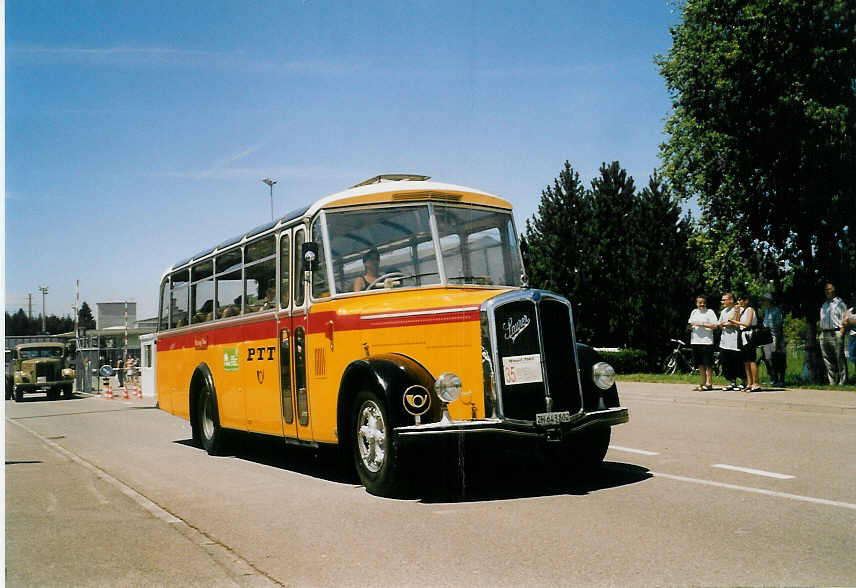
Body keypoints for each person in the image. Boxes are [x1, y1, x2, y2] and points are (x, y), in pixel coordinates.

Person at [819, 282, 847, 385]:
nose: (827, 291)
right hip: (824, 333)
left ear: (834, 290)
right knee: (827, 358)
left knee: (839, 357)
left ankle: (843, 380)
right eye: (826, 290)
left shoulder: (840, 303)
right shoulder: (824, 304)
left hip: (836, 332)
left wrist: (842, 332)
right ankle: (832, 381)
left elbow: (845, 318)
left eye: (829, 289)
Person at [688, 295, 718, 390]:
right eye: (700, 302)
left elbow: (715, 326)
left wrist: (701, 324)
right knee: (700, 363)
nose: (702, 304)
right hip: (695, 340)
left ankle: (709, 383)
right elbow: (690, 324)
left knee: (707, 363)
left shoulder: (710, 312)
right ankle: (703, 382)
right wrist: (689, 327)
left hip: (707, 341)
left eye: (704, 302)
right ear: (696, 303)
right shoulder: (694, 312)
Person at [733, 294, 760, 391]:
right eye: (738, 299)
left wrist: (735, 322)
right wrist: (736, 313)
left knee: (751, 359)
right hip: (742, 335)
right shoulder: (741, 311)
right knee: (745, 361)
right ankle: (749, 383)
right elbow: (737, 325)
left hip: (749, 335)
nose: (738, 301)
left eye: (740, 299)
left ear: (746, 301)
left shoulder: (750, 310)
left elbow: (747, 324)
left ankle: (756, 383)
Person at [760, 293, 786, 387]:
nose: (764, 302)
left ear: (770, 301)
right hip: (766, 336)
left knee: (777, 358)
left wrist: (778, 341)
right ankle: (773, 378)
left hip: (775, 336)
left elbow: (779, 326)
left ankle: (781, 380)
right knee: (767, 359)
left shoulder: (776, 311)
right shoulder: (766, 311)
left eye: (766, 300)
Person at [718, 292, 743, 390]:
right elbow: (720, 323)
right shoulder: (723, 311)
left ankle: (743, 381)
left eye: (724, 300)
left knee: (737, 363)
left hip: (735, 341)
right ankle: (732, 382)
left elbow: (738, 323)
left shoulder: (737, 309)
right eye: (722, 300)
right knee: (727, 363)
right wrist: (723, 324)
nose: (722, 302)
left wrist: (727, 324)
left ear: (731, 300)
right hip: (724, 342)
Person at [842, 295, 856, 382]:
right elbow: (844, 322)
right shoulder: (850, 311)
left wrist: (849, 322)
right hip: (852, 336)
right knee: (852, 356)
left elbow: (849, 321)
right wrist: (848, 322)